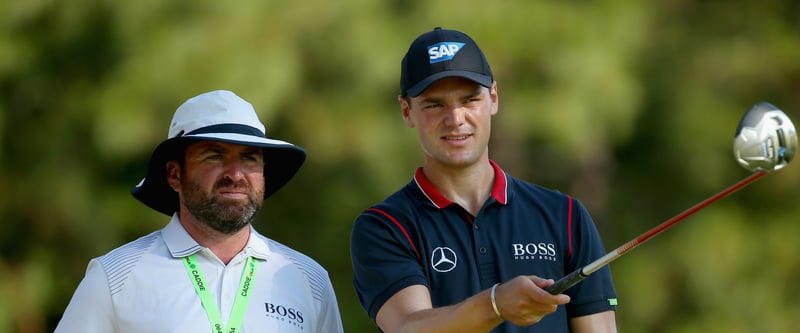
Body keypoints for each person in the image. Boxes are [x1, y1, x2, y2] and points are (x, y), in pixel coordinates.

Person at [350, 27, 618, 332]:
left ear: (493, 98)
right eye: (434, 105)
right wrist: (496, 304)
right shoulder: (385, 226)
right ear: (407, 111)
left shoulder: (565, 216)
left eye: (469, 100)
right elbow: (409, 327)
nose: (455, 118)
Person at [55, 90, 344, 333]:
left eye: (249, 158)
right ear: (174, 175)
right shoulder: (115, 278)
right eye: (215, 156)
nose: (236, 174)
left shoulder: (309, 280)